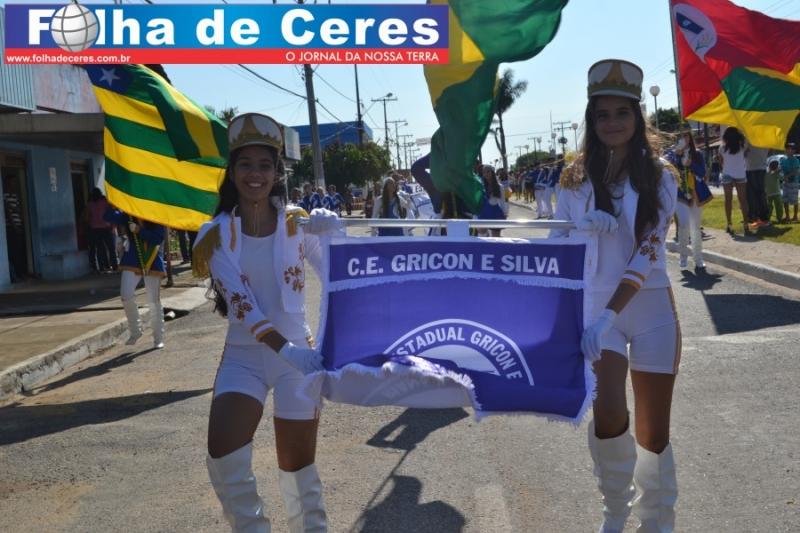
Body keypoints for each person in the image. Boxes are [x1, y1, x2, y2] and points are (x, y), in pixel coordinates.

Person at [192, 113, 341, 532]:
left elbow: (338, 278)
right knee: (224, 455)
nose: (254, 174)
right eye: (245, 164)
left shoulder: (298, 223)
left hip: (298, 361)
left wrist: (335, 236)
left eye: (264, 165)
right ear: (232, 172)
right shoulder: (215, 234)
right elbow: (242, 304)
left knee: (297, 467)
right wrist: (289, 351)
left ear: (277, 173)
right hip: (244, 358)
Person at [550, 59, 680, 532]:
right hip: (594, 310)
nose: (612, 123)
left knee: (653, 428)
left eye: (621, 113)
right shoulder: (572, 178)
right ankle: (615, 512)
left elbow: (648, 251)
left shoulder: (661, 175)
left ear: (637, 116)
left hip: (649, 307)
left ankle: (657, 519)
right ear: (591, 119)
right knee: (608, 412)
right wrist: (579, 231)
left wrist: (609, 314)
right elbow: (555, 247)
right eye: (602, 114)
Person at [104, 208, 166, 349]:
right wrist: (113, 202)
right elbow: (108, 216)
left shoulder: (156, 212)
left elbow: (158, 238)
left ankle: (158, 337)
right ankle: (135, 330)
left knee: (153, 300)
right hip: (132, 259)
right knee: (125, 294)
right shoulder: (128, 213)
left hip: (152, 260)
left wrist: (139, 230)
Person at [673, 130, 709, 273]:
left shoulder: (697, 154)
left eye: (686, 135)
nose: (684, 138)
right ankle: (683, 257)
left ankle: (698, 258)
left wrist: (691, 164)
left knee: (695, 227)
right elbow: (671, 171)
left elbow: (702, 172)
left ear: (690, 138)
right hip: (681, 195)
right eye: (681, 136)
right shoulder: (673, 154)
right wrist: (678, 156)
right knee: (683, 225)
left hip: (695, 194)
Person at [719, 126, 750, 235]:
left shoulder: (722, 148)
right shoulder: (742, 146)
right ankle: (746, 223)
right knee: (743, 200)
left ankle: (729, 224)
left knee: (728, 200)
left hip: (727, 174)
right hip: (740, 174)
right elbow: (747, 144)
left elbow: (721, 161)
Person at [85, 187, 117, 272]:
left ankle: (102, 267)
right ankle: (114, 266)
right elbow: (111, 213)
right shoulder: (105, 202)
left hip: (95, 229)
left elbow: (87, 217)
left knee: (100, 249)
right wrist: (113, 226)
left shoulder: (90, 204)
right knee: (111, 248)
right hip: (106, 227)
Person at [477, 164, 508, 236]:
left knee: (496, 238)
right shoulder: (481, 186)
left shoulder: (500, 186)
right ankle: (487, 235)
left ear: (492, 173)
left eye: (488, 171)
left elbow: (503, 201)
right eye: (484, 172)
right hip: (484, 213)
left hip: (495, 213)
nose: (486, 174)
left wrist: (505, 213)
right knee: (481, 233)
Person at [745, 144, 770, 226]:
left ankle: (757, 217)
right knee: (760, 194)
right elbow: (768, 150)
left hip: (751, 168)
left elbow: (744, 153)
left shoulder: (749, 139)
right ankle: (762, 217)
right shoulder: (765, 139)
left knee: (753, 195)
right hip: (760, 167)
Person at [780, 142, 799, 223]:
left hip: (794, 183)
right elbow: (781, 169)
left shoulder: (796, 160)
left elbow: (796, 171)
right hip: (785, 183)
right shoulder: (783, 160)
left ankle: (795, 217)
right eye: (787, 149)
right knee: (785, 200)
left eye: (791, 149)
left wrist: (787, 176)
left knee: (794, 200)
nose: (789, 150)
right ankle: (787, 217)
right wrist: (782, 176)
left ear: (794, 151)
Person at [765, 159, 784, 223]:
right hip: (774, 193)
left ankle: (772, 218)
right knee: (777, 206)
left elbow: (782, 178)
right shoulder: (773, 173)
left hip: (771, 193)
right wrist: (778, 171)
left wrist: (778, 172)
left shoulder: (769, 173)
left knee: (772, 207)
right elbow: (782, 178)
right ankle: (778, 218)